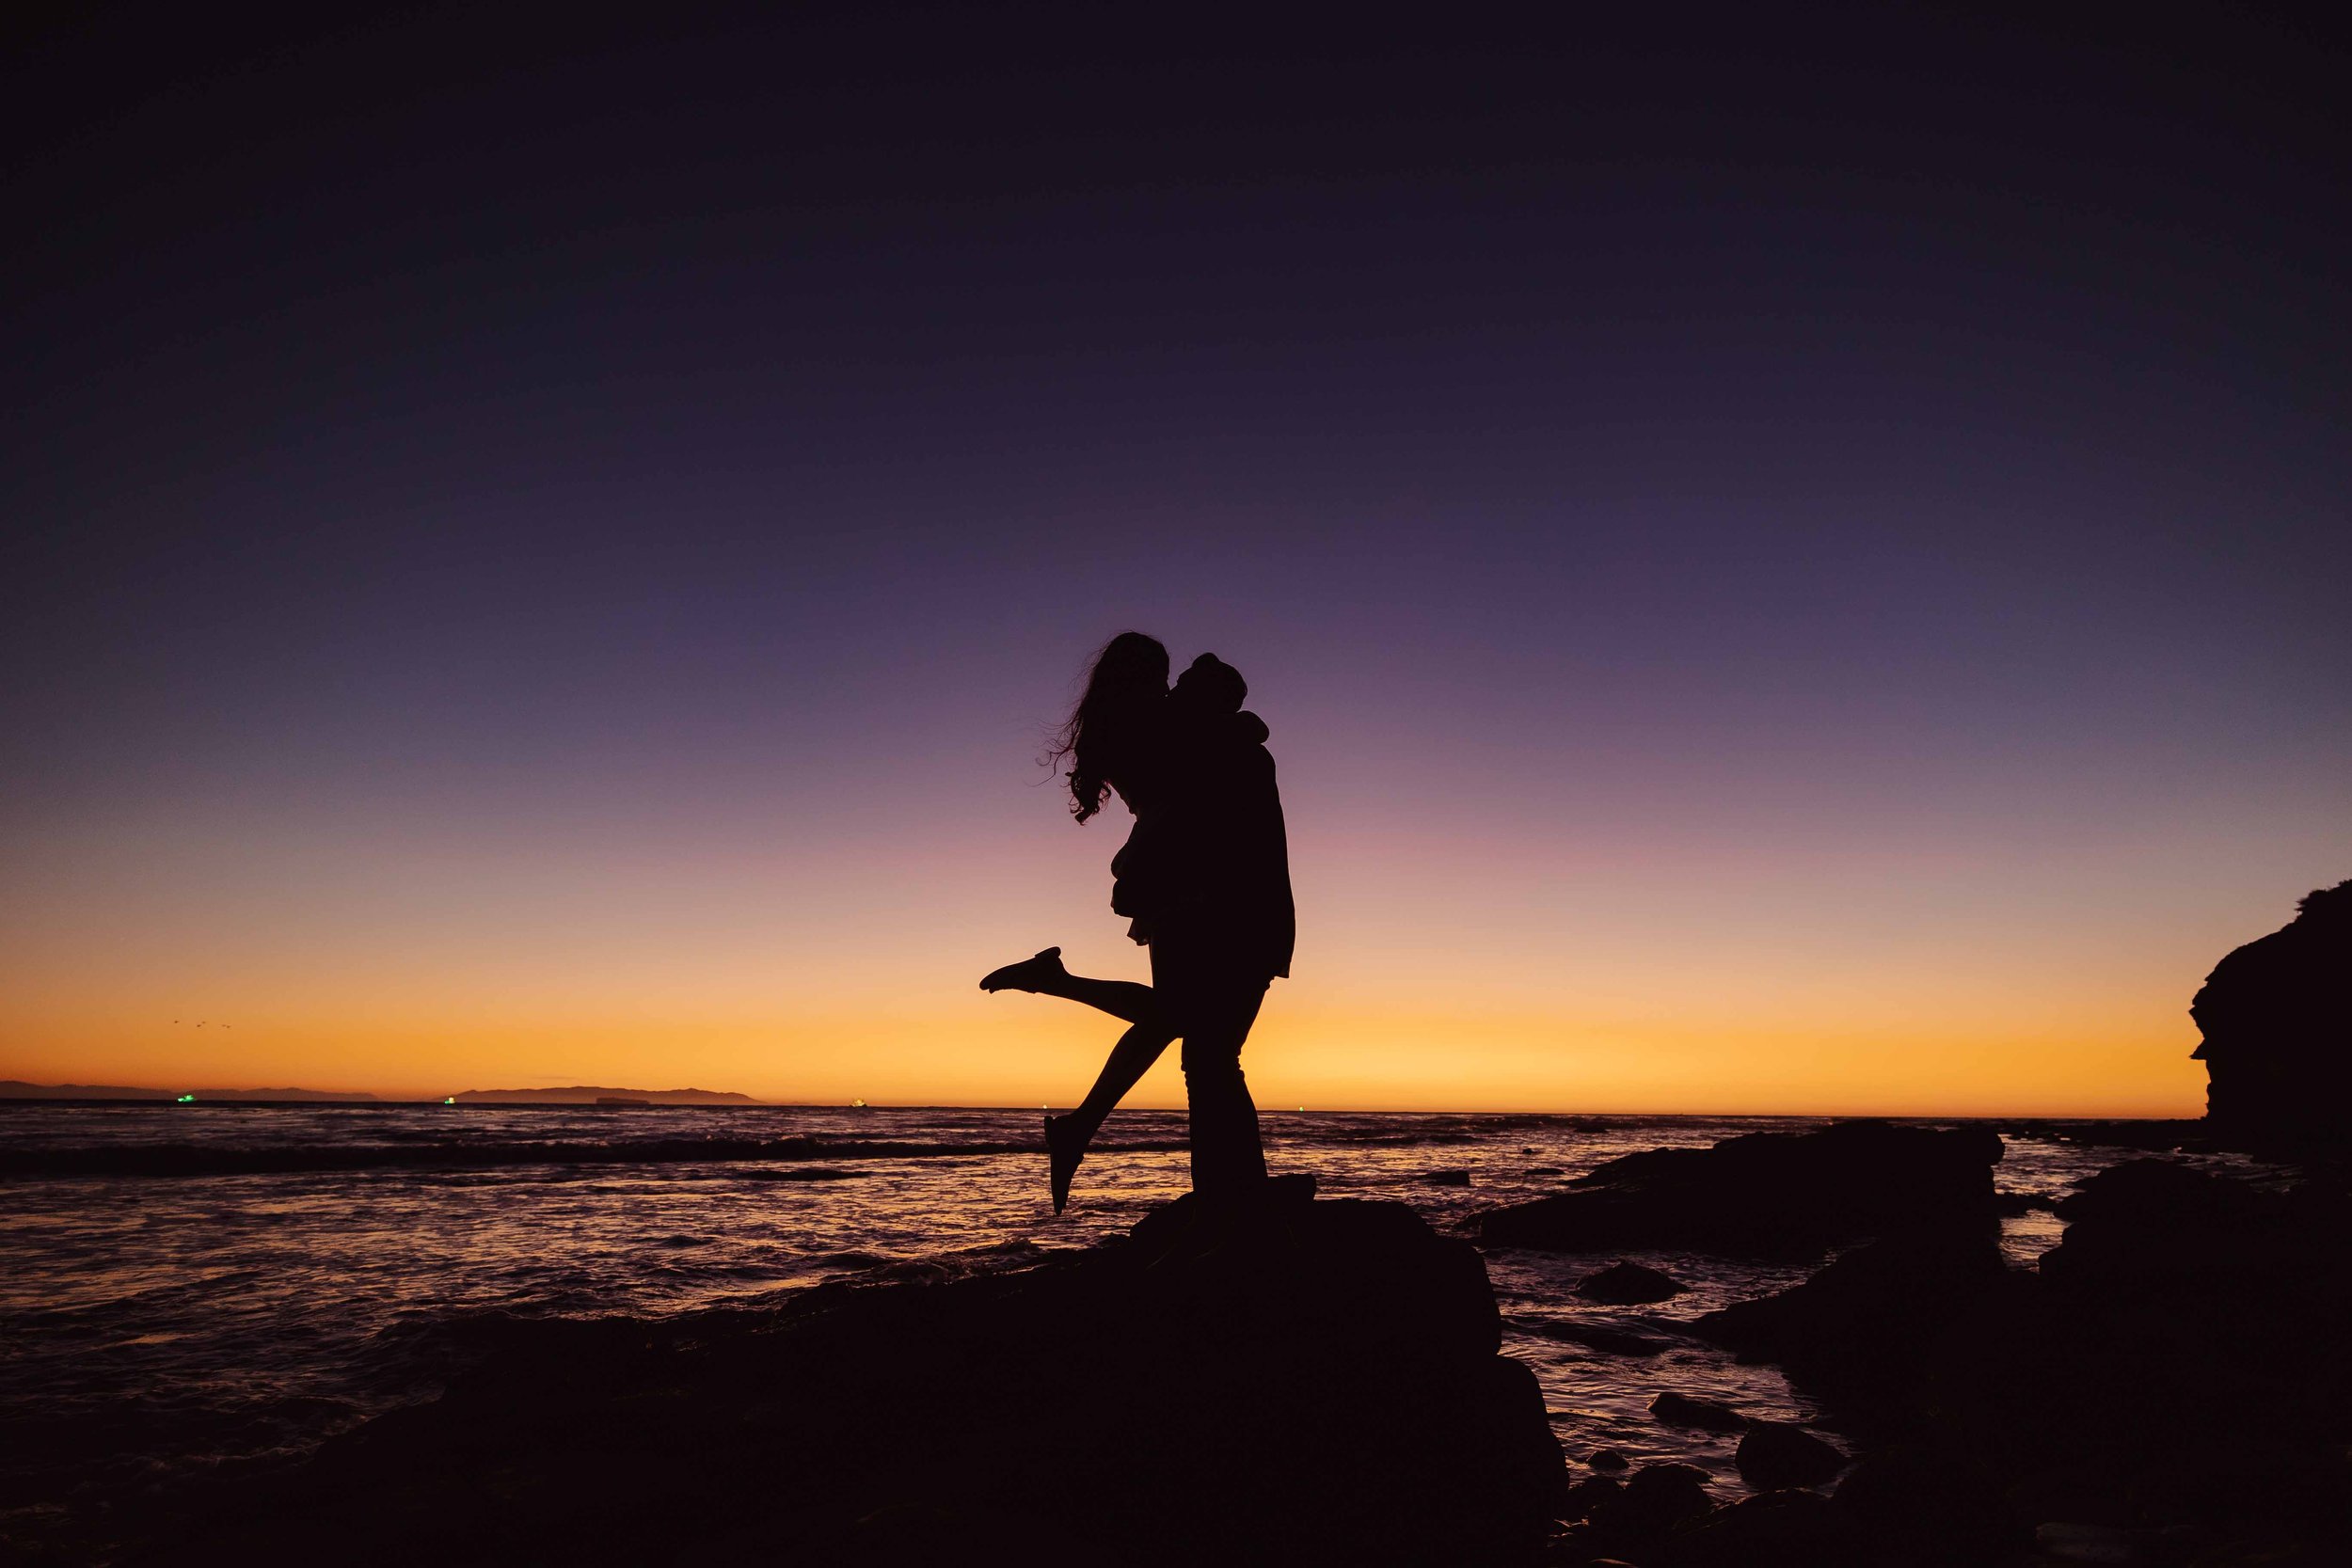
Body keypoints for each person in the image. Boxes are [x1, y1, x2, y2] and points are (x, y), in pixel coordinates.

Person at [979, 634, 1295, 1212]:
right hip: (1213, 898)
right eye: (1171, 674)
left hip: (1214, 897)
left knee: (1200, 1042)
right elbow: (1216, 777)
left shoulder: (1151, 730)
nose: (1177, 681)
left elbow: (1219, 777)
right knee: (1206, 1047)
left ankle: (1219, 1190)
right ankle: (1233, 1197)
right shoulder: (1180, 732)